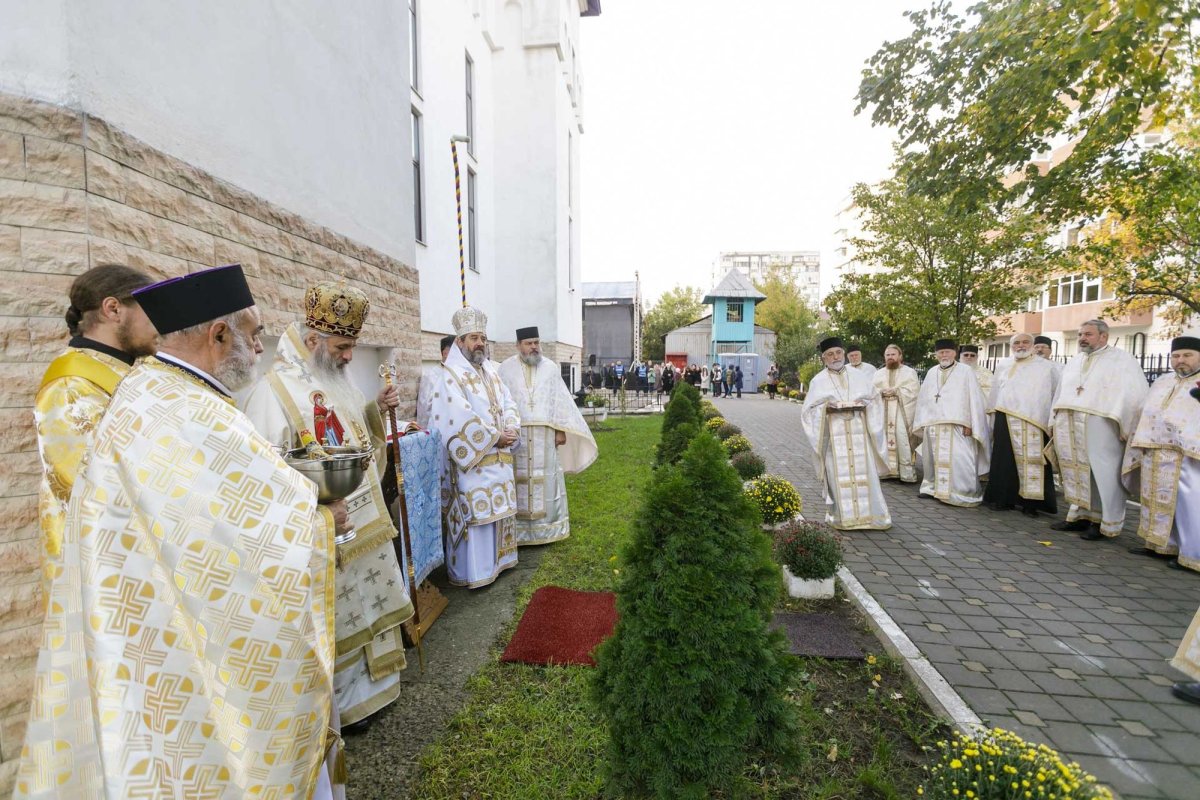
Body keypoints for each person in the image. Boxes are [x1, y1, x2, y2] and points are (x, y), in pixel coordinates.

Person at [19, 265, 341, 798]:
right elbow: (212, 523)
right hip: (160, 605)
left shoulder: (160, 388)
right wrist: (321, 520)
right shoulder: (178, 404)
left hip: (157, 602)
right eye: (255, 335)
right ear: (218, 335)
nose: (261, 349)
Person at [243, 281, 413, 731]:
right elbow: (268, 478)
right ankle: (347, 708)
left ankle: (380, 689)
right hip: (327, 531)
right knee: (342, 612)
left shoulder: (332, 380)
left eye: (352, 347)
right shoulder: (273, 393)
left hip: (365, 524)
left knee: (370, 601)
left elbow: (356, 433)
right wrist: (315, 514)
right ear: (313, 341)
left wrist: (375, 409)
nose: (348, 357)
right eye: (342, 347)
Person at [34, 264, 156, 591]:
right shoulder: (71, 383)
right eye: (152, 310)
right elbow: (87, 483)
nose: (162, 322)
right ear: (113, 309)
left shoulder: (127, 368)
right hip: (99, 563)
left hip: (136, 552)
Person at [427, 306, 522, 587]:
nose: (479, 343)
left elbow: (508, 402)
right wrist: (495, 437)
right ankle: (477, 572)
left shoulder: (491, 372)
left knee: (498, 513)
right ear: (460, 342)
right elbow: (457, 416)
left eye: (482, 337)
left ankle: (500, 562)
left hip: (499, 461)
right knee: (479, 517)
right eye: (473, 338)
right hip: (475, 466)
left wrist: (513, 426)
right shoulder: (450, 375)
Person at [499, 326, 598, 545]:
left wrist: (560, 429)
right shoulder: (504, 369)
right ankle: (517, 531)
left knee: (547, 479)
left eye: (536, 342)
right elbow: (500, 402)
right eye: (529, 343)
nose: (534, 347)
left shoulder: (551, 368)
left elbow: (559, 400)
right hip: (518, 435)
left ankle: (549, 529)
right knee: (518, 479)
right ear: (518, 345)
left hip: (545, 434)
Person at [1050, 319, 1148, 540]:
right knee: (1077, 470)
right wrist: (1053, 419)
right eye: (1081, 334)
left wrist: (1124, 423)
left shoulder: (1122, 360)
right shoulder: (1075, 360)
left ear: (1103, 336)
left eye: (1088, 334)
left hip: (1103, 424)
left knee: (1103, 473)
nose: (1083, 338)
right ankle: (1080, 515)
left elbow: (1133, 393)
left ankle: (1105, 521)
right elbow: (1060, 392)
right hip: (1071, 421)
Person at [1122, 336, 1200, 570]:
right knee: (1153, 499)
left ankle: (1190, 554)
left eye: (1187, 355)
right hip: (1154, 449)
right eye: (1176, 356)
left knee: (1186, 505)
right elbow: (1143, 410)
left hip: (1186, 455)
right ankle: (1157, 545)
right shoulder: (1164, 381)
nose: (1180, 360)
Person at [800, 336, 891, 530]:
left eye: (838, 353)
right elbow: (808, 412)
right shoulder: (818, 381)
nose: (835, 357)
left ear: (844, 353)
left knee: (865, 472)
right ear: (824, 358)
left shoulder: (860, 377)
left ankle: (872, 516)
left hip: (860, 435)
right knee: (837, 474)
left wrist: (864, 404)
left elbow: (874, 400)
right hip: (834, 438)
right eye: (830, 354)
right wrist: (826, 408)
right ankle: (842, 517)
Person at [983, 333, 1059, 517]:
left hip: (1034, 420)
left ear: (1033, 345)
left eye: (1025, 342)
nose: (1021, 346)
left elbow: (1054, 394)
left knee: (1033, 462)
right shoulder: (1004, 365)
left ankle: (1031, 504)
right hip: (1005, 416)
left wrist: (1052, 420)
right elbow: (995, 392)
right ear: (1011, 347)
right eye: (1016, 343)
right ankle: (1003, 499)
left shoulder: (1047, 367)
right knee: (1004, 460)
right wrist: (992, 415)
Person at [913, 338, 991, 506]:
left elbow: (974, 399)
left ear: (955, 353)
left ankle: (962, 492)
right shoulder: (932, 371)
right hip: (933, 424)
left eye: (947, 351)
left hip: (958, 424)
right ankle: (931, 488)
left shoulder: (965, 371)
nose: (944, 355)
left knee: (960, 459)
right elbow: (924, 398)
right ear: (936, 354)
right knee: (931, 459)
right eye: (940, 352)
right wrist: (923, 421)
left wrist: (971, 423)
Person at [872, 343, 921, 483]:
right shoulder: (878, 373)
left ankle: (905, 473)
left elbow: (914, 392)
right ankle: (885, 471)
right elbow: (871, 392)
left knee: (901, 438)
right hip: (883, 411)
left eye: (893, 354)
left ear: (900, 356)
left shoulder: (909, 372)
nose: (890, 357)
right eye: (887, 355)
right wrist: (880, 392)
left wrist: (897, 391)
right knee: (882, 439)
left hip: (900, 410)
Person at [417, 334, 457, 427]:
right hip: (438, 427)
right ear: (445, 352)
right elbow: (424, 407)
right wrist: (423, 432)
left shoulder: (460, 374)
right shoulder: (431, 375)